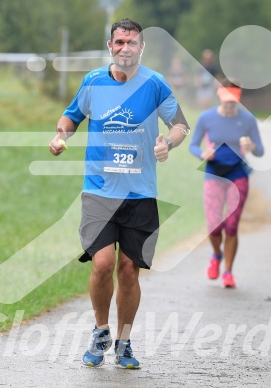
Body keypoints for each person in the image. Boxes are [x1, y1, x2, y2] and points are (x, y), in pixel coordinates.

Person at [49, 18, 189, 369]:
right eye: (120, 42)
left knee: (128, 270)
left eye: (132, 42)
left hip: (140, 194)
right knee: (102, 265)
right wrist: (61, 135)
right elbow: (71, 116)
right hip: (99, 191)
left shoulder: (155, 84)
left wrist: (167, 143)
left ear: (141, 47)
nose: (125, 47)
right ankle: (100, 332)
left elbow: (180, 125)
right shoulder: (93, 81)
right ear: (110, 46)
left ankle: (124, 343)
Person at [188, 80, 264, 288]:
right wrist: (203, 154)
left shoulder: (247, 119)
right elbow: (193, 145)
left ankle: (228, 272)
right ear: (219, 96)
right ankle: (216, 254)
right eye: (227, 100)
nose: (231, 105)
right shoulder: (207, 118)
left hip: (238, 174)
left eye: (234, 101)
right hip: (214, 174)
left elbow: (260, 151)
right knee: (214, 226)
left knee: (231, 226)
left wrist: (252, 145)